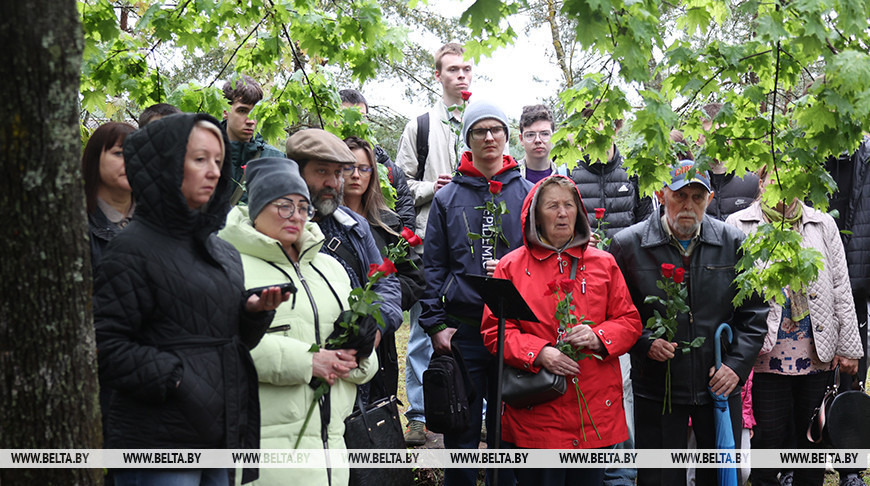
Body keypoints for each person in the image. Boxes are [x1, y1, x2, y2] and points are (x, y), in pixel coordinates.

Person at [94, 113, 287, 485]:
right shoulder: (130, 249)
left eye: (218, 160)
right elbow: (107, 346)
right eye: (200, 159)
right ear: (165, 162)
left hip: (219, 434)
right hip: (156, 445)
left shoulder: (222, 251)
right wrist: (175, 377)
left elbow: (224, 340)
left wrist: (250, 314)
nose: (214, 172)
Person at [219, 157, 378, 486]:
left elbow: (361, 366)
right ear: (256, 206)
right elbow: (223, 349)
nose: (296, 216)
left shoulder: (330, 269)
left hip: (332, 451)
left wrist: (361, 350)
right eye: (283, 205)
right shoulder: (228, 264)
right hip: (268, 456)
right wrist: (309, 363)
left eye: (303, 206)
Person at [609, 159, 768, 486]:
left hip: (718, 385)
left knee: (721, 476)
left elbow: (753, 314)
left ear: (709, 199)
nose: (688, 206)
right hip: (657, 385)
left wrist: (736, 366)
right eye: (680, 195)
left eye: (697, 197)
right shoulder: (628, 246)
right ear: (662, 194)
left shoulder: (734, 243)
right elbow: (616, 314)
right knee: (659, 477)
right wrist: (644, 343)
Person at [480, 175, 642, 485]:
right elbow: (495, 331)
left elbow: (629, 322)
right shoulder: (510, 267)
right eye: (552, 205)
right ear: (534, 215)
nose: (563, 213)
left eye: (569, 205)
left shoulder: (604, 263)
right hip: (537, 413)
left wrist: (599, 336)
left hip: (591, 410)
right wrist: (539, 353)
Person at [726, 165, 863, 486]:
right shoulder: (739, 225)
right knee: (769, 435)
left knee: (811, 437)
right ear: (760, 184)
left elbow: (841, 287)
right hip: (765, 354)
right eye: (775, 179)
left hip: (816, 351)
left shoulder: (822, 224)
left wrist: (849, 348)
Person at [420, 100, 532, 486]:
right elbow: (432, 265)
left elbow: (541, 260)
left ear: (507, 136)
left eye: (495, 130)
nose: (489, 137)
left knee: (511, 431)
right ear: (467, 140)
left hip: (513, 330)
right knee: (462, 428)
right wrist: (436, 325)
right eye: (479, 131)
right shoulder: (448, 198)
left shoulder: (527, 194)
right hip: (463, 330)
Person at [394, 42, 473, 444]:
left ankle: (474, 409)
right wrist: (432, 187)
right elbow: (398, 182)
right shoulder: (420, 126)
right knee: (424, 331)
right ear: (438, 76)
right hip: (428, 243)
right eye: (453, 70)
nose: (462, 76)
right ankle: (419, 415)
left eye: (467, 69)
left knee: (475, 330)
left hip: (474, 245)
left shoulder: (484, 122)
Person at [285, 128, 403, 385]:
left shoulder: (355, 226)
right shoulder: (276, 226)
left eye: (338, 172)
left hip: (353, 377)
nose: (333, 182)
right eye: (322, 171)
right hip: (295, 373)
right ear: (295, 172)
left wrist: (375, 327)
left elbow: (386, 283)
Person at [342, 136, 425, 402]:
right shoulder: (321, 221)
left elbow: (414, 278)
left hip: (379, 337)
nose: (356, 175)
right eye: (348, 167)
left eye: (364, 168)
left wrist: (381, 302)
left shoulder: (389, 224)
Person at [825, 135, 870, 486]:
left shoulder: (866, 158)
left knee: (852, 380)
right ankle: (797, 461)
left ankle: (850, 468)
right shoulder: (803, 158)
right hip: (812, 283)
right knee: (810, 379)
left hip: (857, 284)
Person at [568, 103, 653, 242]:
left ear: (616, 127)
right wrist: (578, 239)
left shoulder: (634, 173)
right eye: (593, 122)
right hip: (583, 261)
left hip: (625, 261)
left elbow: (647, 228)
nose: (600, 129)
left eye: (606, 123)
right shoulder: (567, 174)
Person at [339, 89, 416, 231]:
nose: (354, 123)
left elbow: (406, 222)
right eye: (346, 116)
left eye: (361, 117)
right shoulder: (320, 163)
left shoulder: (388, 170)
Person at [82, 121, 136, 274]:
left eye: (135, 153)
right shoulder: (76, 222)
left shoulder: (158, 218)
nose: (129, 160)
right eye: (119, 153)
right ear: (95, 159)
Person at [221, 75, 284, 203]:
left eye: (255, 113)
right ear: (225, 112)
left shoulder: (275, 160)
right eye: (242, 111)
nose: (250, 121)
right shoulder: (202, 153)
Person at [698, 102, 760, 220]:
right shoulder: (690, 182)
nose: (717, 141)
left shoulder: (753, 184)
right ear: (698, 139)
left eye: (723, 134)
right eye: (710, 135)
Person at [516, 104, 567, 183]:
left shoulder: (566, 175)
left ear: (554, 137)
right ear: (521, 139)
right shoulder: (512, 176)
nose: (537, 140)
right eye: (530, 135)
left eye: (544, 134)